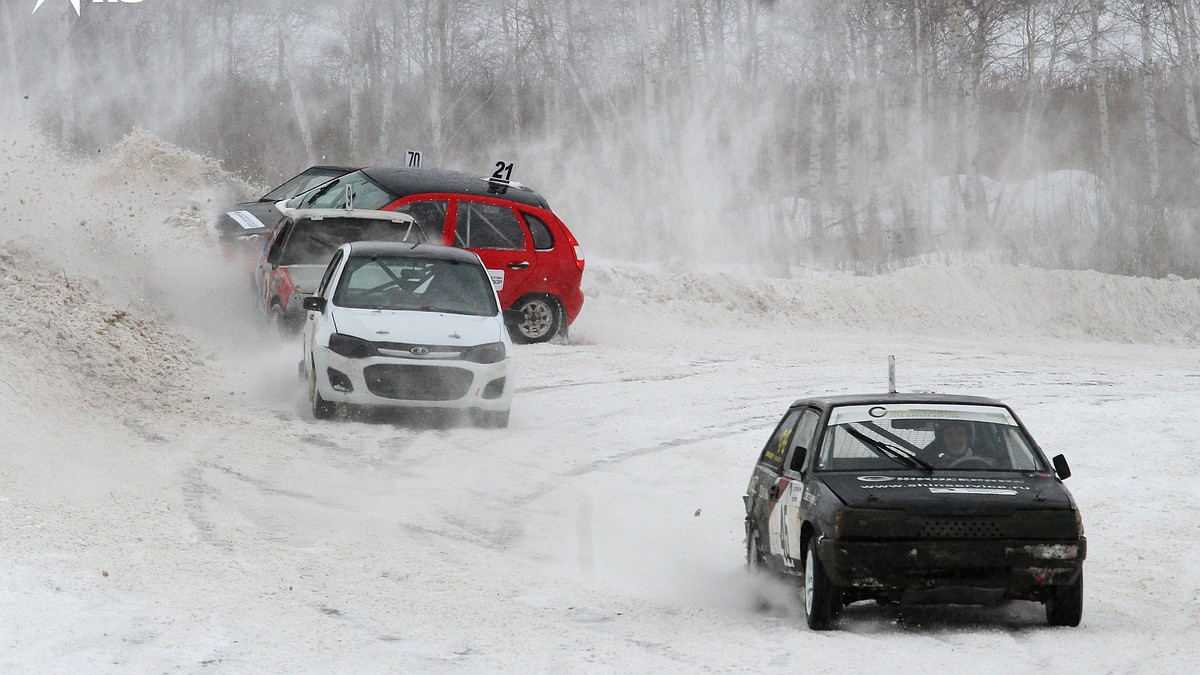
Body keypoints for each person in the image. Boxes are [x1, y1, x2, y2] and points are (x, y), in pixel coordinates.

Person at [922, 420, 995, 468]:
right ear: (942, 438)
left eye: (960, 433)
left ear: (968, 436)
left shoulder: (988, 462)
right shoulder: (932, 467)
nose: (955, 439)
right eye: (949, 434)